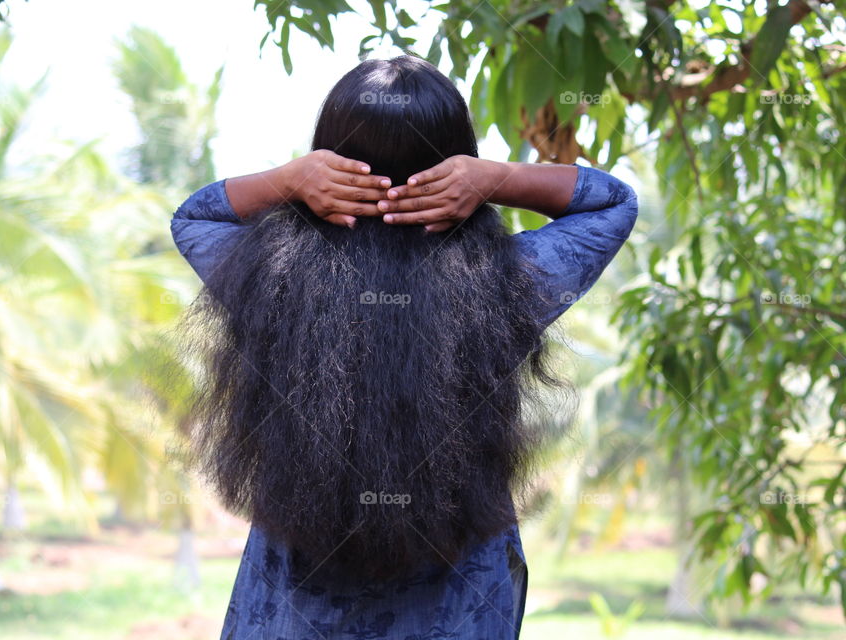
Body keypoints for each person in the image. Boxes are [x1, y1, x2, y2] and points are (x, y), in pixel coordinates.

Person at [171, 55, 637, 639]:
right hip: (459, 607)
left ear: (329, 154)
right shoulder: (511, 282)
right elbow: (612, 202)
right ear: (456, 157)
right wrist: (491, 178)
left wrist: (288, 181)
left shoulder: (268, 280)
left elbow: (196, 216)